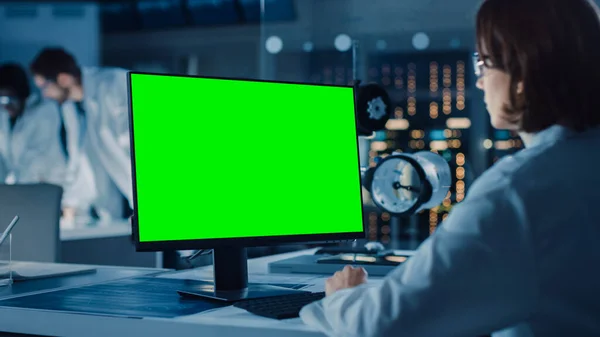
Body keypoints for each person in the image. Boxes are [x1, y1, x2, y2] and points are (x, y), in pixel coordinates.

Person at [299, 0, 600, 336]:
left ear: (521, 73)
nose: (481, 82)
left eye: (485, 64)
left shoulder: (519, 192)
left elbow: (379, 324)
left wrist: (344, 297)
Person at [29, 48, 133, 221]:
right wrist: (73, 202)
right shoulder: (71, 108)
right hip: (117, 204)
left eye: (45, 87)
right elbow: (82, 159)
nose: (44, 95)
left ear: (63, 79)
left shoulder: (114, 83)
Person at [0, 63, 66, 186]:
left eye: (9, 98)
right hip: (21, 188)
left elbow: (34, 158)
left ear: (22, 94)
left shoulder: (44, 111)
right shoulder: (4, 117)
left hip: (47, 184)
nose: (5, 105)